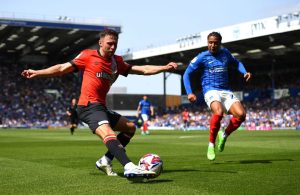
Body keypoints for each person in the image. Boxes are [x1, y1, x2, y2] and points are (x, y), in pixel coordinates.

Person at [21, 29, 178, 179]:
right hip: (88, 106)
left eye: (115, 44)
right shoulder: (88, 56)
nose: (113, 46)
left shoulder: (117, 61)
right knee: (108, 132)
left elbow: (143, 69)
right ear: (100, 43)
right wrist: (38, 72)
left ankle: (105, 161)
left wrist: (164, 67)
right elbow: (62, 68)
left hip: (100, 107)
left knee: (130, 128)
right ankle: (128, 165)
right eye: (109, 43)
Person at [183, 31, 252, 161]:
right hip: (210, 90)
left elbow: (237, 63)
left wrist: (244, 72)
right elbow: (186, 74)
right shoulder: (202, 57)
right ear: (207, 43)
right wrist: (189, 92)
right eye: (210, 42)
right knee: (218, 112)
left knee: (241, 115)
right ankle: (211, 144)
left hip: (226, 91)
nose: (213, 45)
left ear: (220, 43)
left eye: (215, 43)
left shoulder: (225, 53)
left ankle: (224, 135)